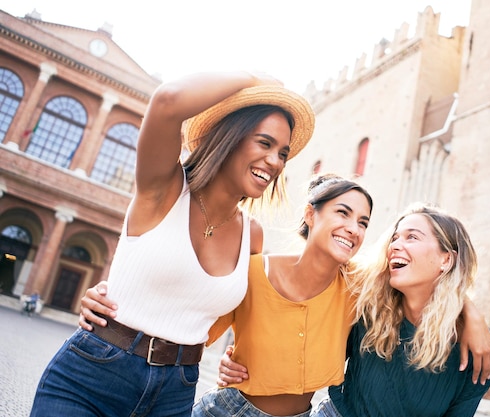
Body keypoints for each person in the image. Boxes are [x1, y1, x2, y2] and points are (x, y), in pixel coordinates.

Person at [81, 175, 490, 417]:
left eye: (364, 222)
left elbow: (425, 290)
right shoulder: (265, 273)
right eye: (343, 213)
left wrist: (467, 311)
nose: (358, 229)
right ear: (310, 215)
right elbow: (190, 315)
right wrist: (120, 304)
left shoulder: (363, 294)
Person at [29, 71, 315, 417]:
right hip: (92, 377)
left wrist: (235, 356)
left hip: (175, 394)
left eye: (283, 153)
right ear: (230, 137)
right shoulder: (163, 188)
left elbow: (234, 314)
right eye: (264, 143)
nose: (275, 162)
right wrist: (256, 79)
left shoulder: (252, 235)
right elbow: (167, 102)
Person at [311, 203, 490, 417]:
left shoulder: (478, 347)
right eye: (395, 238)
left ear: (446, 260)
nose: (395, 245)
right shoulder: (367, 303)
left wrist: (469, 312)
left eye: (412, 237)